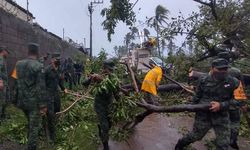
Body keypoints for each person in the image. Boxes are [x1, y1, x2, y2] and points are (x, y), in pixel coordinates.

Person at [175, 58, 240, 150]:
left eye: (225, 69)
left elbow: (240, 100)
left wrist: (221, 105)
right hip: (204, 115)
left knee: (224, 143)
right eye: (220, 69)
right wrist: (192, 107)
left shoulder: (234, 82)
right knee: (196, 135)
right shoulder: (203, 79)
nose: (223, 71)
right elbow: (197, 96)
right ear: (212, 68)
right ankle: (180, 144)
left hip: (222, 116)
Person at [82, 59, 123, 150]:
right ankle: (105, 146)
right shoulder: (97, 76)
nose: (111, 71)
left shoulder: (113, 78)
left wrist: (120, 103)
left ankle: (101, 128)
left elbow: (116, 91)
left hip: (109, 104)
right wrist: (91, 78)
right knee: (105, 126)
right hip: (99, 105)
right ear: (104, 68)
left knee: (109, 124)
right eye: (110, 69)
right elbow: (84, 83)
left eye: (112, 70)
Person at [15, 43, 47, 150]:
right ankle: (31, 147)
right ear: (37, 53)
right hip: (33, 103)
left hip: (22, 101)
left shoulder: (18, 64)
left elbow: (16, 82)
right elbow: (41, 87)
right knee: (34, 128)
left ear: (28, 51)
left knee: (30, 123)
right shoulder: (38, 66)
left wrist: (15, 99)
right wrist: (43, 105)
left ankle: (29, 143)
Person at [218, 52, 248, 149]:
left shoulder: (214, 71)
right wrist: (243, 103)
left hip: (221, 103)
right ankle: (232, 140)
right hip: (234, 102)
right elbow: (241, 87)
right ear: (229, 59)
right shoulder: (236, 71)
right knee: (235, 122)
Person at [44, 52, 67, 142]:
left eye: (59, 59)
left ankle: (51, 125)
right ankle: (51, 136)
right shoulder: (47, 70)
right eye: (57, 59)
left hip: (56, 94)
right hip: (48, 94)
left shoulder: (60, 69)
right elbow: (41, 83)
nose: (59, 61)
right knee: (50, 114)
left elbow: (60, 80)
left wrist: (64, 88)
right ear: (52, 60)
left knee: (57, 110)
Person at [0, 46, 9, 121]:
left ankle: (3, 116)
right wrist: (1, 81)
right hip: (2, 84)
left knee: (5, 100)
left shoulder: (2, 59)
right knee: (1, 100)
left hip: (5, 84)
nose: (8, 54)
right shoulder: (0, 59)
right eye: (7, 52)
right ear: (3, 51)